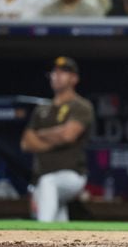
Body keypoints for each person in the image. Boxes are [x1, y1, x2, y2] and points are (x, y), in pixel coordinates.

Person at [20, 57, 93, 222]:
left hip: (72, 175)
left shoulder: (81, 106)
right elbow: (26, 142)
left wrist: (40, 135)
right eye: (54, 72)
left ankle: (41, 236)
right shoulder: (42, 109)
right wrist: (56, 137)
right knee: (59, 222)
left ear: (74, 78)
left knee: (49, 183)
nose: (57, 75)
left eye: (63, 72)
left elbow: (68, 135)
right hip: (41, 177)